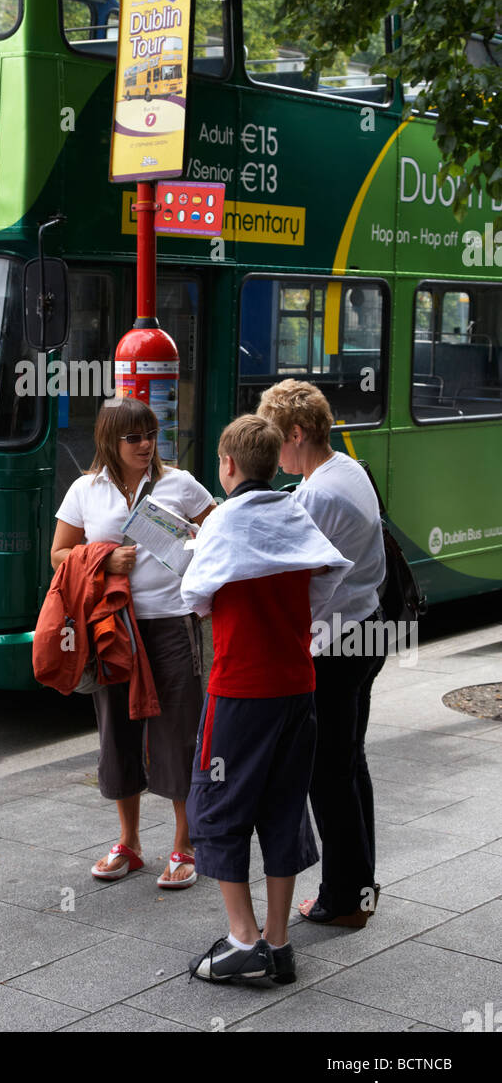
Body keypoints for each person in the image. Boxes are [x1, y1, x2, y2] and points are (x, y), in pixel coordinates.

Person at [179, 414, 351, 983]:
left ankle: (242, 939)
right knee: (283, 806)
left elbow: (195, 597)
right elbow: (325, 584)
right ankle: (278, 944)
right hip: (296, 686)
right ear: (275, 460)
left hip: (240, 690)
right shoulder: (295, 512)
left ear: (227, 465)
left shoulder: (224, 523)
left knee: (218, 807)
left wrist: (194, 548)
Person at [50, 397, 214, 888]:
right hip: (111, 626)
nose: (146, 445)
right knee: (116, 733)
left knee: (178, 732)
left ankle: (184, 845)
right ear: (110, 441)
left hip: (171, 622)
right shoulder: (85, 489)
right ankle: (130, 842)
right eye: (134, 437)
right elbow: (59, 554)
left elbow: (221, 537)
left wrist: (189, 545)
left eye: (151, 435)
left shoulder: (178, 484)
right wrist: (101, 560)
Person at [256, 379, 387, 928]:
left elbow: (295, 579)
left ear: (296, 433)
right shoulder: (344, 469)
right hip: (365, 629)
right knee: (349, 764)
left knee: (327, 775)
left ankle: (344, 899)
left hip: (335, 647)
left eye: (274, 440)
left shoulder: (318, 493)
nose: (270, 453)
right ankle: (360, 888)